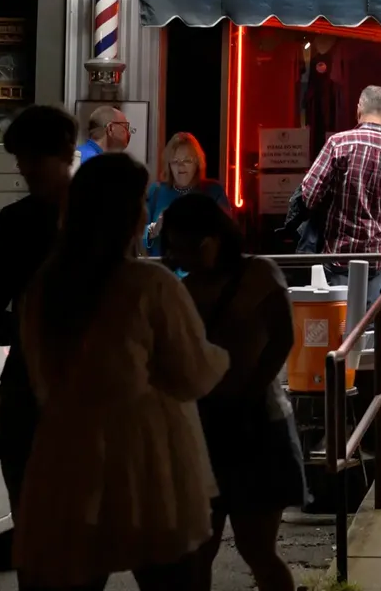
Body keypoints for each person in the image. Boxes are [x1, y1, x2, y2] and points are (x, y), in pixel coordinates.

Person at [13, 153, 230, 591]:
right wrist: (225, 354)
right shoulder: (151, 285)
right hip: (149, 457)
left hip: (66, 454)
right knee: (173, 578)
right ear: (130, 214)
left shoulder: (45, 288)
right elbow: (194, 374)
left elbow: (41, 377)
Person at [161, 193, 306, 591]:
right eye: (174, 246)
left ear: (215, 238)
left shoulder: (260, 273)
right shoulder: (182, 289)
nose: (183, 255)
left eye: (190, 245)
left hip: (257, 425)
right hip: (203, 425)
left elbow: (282, 339)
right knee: (198, 551)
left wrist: (248, 391)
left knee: (256, 547)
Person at [0, 104, 77, 513]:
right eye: (20, 158)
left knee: (41, 514)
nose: (22, 167)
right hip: (52, 386)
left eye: (29, 157)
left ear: (61, 154)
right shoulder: (96, 218)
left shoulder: (29, 222)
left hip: (63, 390)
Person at [299, 84, 381, 307]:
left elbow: (309, 194)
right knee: (368, 324)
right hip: (377, 257)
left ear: (359, 109)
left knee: (339, 321)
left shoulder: (339, 144)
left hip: (338, 254)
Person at [143, 132, 231, 256]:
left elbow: (228, 236)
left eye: (187, 161)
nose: (181, 166)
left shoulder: (213, 190)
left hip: (201, 270)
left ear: (197, 163)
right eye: (175, 161)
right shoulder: (156, 191)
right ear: (168, 165)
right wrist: (154, 229)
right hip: (162, 268)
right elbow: (136, 235)